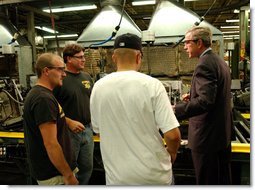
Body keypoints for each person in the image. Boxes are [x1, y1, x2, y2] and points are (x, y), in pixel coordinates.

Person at [90, 33, 181, 185]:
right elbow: (173, 135)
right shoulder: (152, 85)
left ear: (114, 57)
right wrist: (171, 154)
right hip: (154, 176)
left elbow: (98, 129)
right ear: (139, 57)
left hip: (117, 178)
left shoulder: (98, 87)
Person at [174, 26, 233, 185]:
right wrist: (193, 95)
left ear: (199, 42)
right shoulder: (219, 61)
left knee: (207, 181)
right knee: (221, 180)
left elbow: (205, 102)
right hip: (220, 135)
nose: (185, 47)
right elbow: (215, 95)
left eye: (187, 43)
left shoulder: (204, 64)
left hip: (206, 139)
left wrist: (175, 110)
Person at [23, 53, 79, 185]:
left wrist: (68, 121)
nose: (64, 74)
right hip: (55, 175)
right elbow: (51, 144)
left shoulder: (44, 94)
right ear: (46, 71)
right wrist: (68, 175)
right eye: (60, 69)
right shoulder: (43, 99)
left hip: (55, 172)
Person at [53, 44, 94, 185]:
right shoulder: (60, 79)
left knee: (87, 168)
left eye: (84, 57)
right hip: (68, 132)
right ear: (69, 59)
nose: (83, 60)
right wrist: (68, 122)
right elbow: (52, 106)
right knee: (69, 169)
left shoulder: (87, 77)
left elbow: (92, 100)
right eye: (80, 57)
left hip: (87, 130)